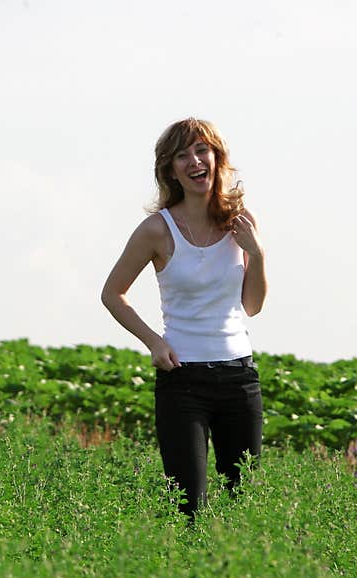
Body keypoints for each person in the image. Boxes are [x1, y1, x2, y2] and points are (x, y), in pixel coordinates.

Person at [100, 117, 267, 518]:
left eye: (201, 151)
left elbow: (252, 306)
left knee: (241, 503)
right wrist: (154, 342)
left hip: (239, 378)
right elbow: (112, 294)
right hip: (183, 381)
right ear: (170, 169)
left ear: (216, 158)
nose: (195, 161)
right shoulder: (157, 230)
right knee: (188, 506)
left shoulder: (241, 223)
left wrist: (257, 254)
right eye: (183, 155)